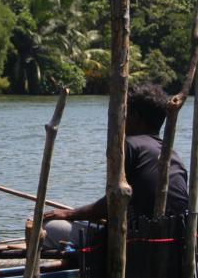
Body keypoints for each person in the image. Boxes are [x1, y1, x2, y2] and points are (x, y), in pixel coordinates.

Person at [41, 82, 189, 252]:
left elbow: (112, 204)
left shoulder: (128, 146)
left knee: (46, 227)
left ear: (136, 117)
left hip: (137, 242)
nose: (122, 118)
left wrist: (69, 213)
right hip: (173, 240)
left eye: (125, 113)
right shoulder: (172, 154)